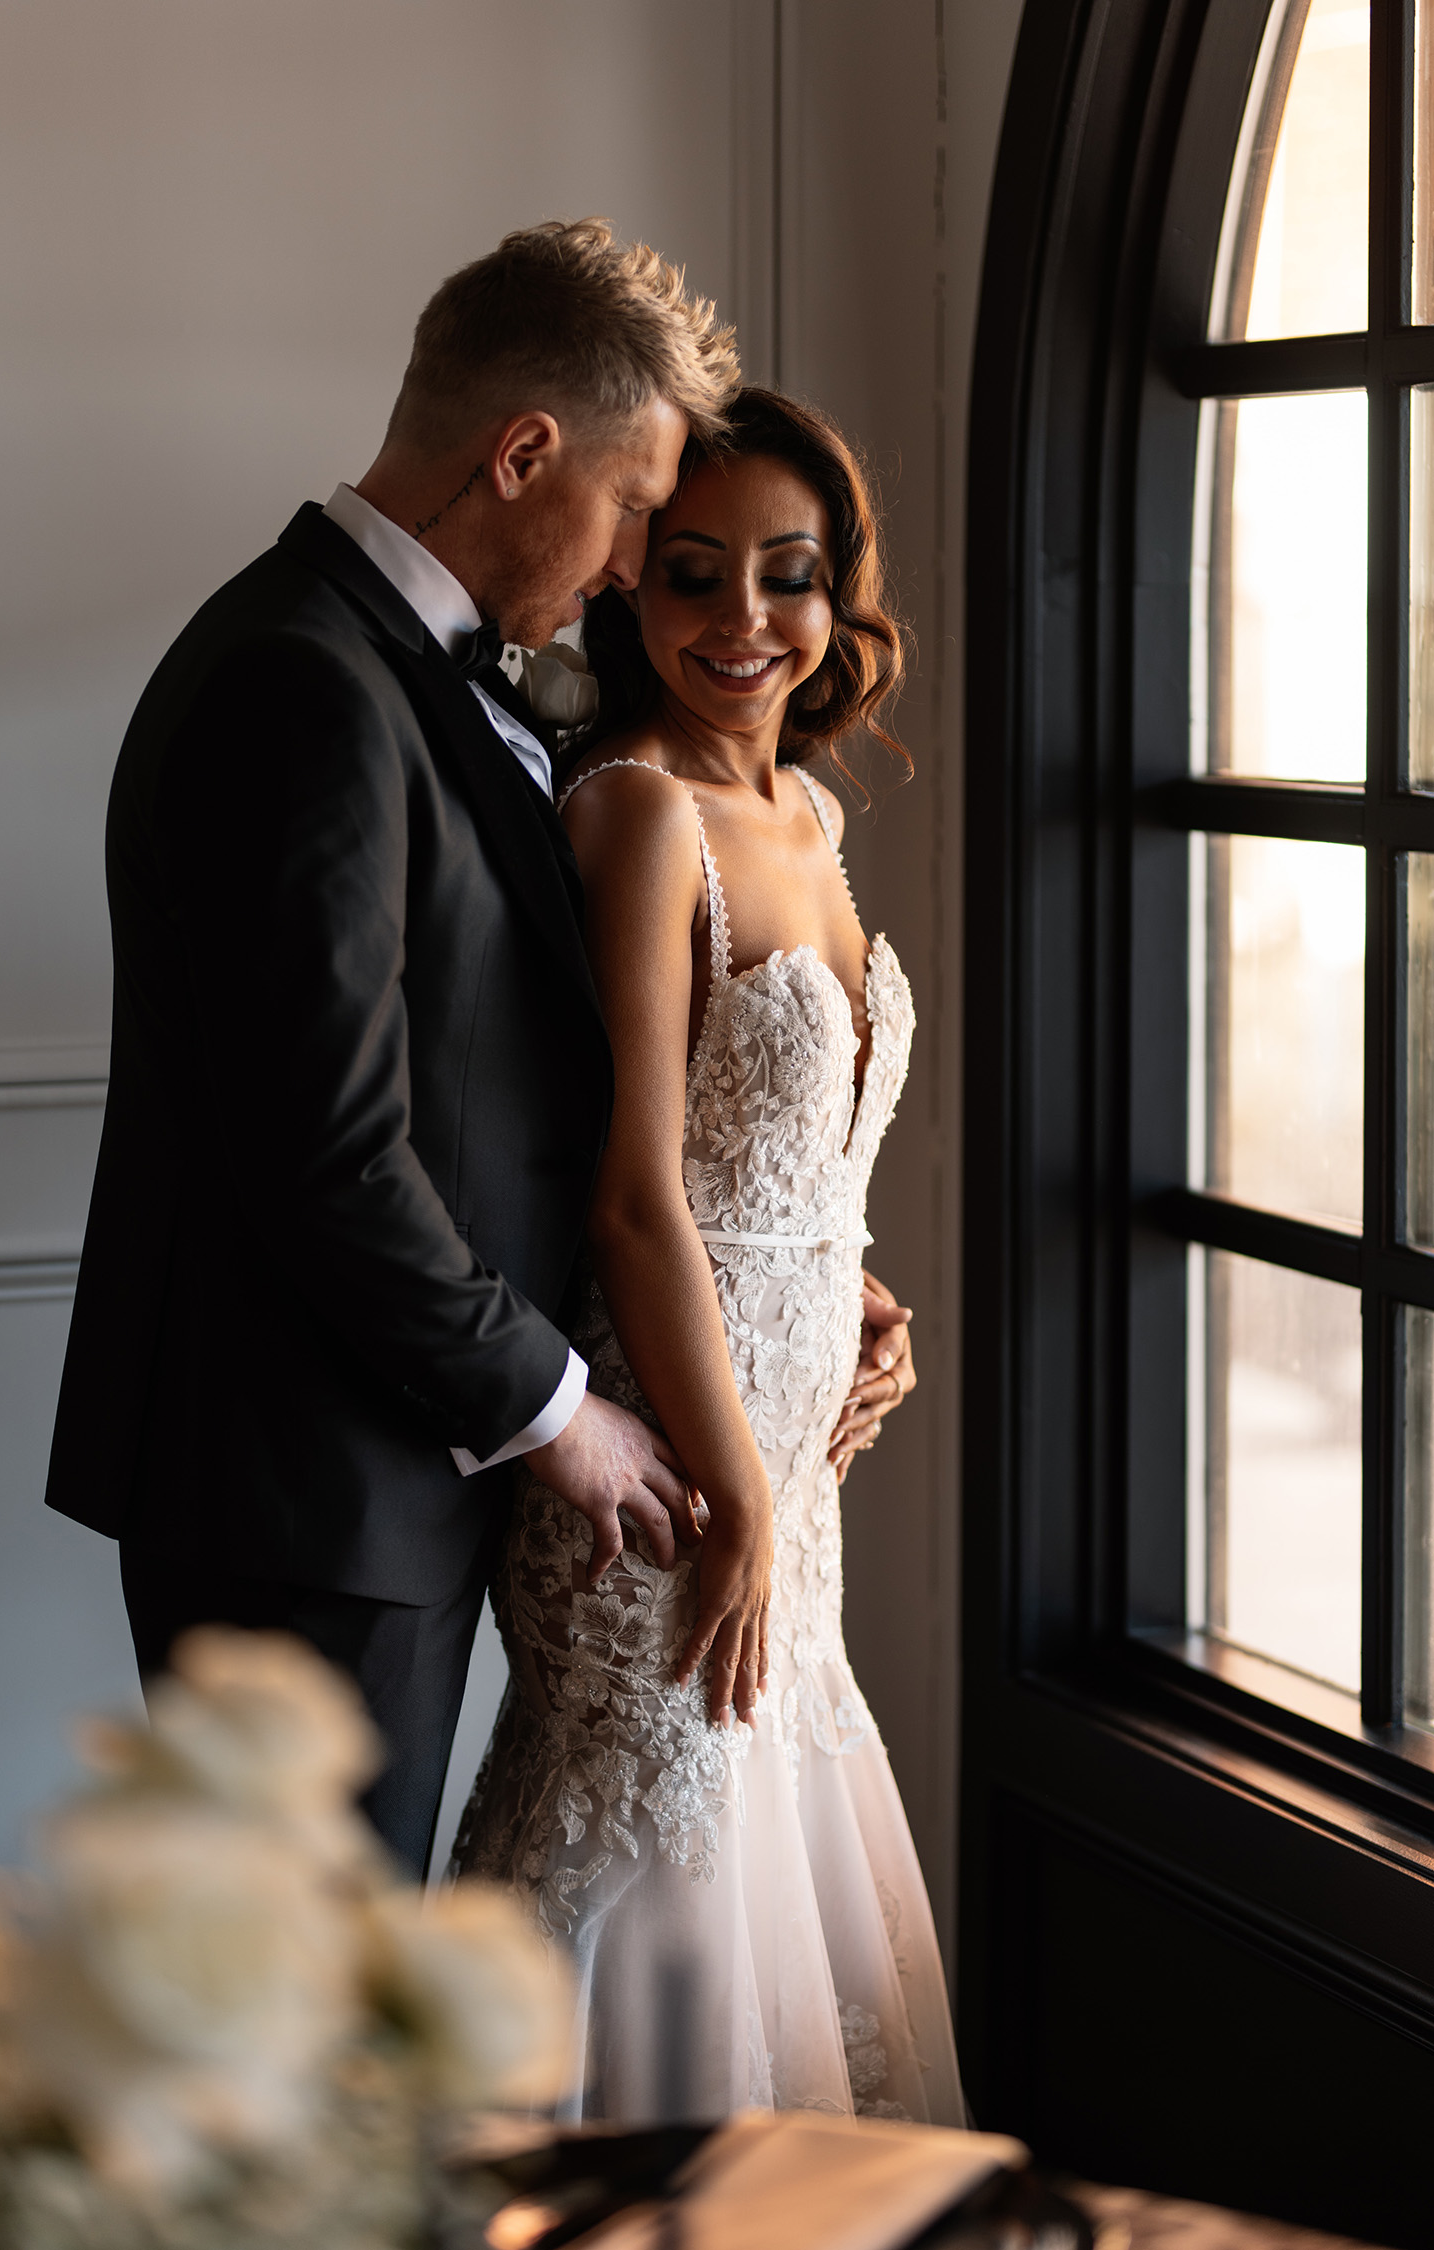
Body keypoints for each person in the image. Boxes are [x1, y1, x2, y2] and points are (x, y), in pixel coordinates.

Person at [42, 219, 738, 1878]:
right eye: (635, 509)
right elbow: (331, 1152)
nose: (637, 564)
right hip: (304, 1498)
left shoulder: (385, 667)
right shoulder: (302, 684)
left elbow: (499, 1069)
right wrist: (559, 1411)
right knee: (312, 2024)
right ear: (521, 455)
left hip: (367, 1477)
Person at [453, 388, 964, 2125]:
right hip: (677, 1468)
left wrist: (868, 1307)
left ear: (838, 598)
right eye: (692, 574)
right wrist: (739, 1491)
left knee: (773, 1870)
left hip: (791, 1476)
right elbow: (637, 1198)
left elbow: (799, 1166)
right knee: (662, 1852)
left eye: (789, 575)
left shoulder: (811, 818)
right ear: (632, 594)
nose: (743, 621)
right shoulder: (636, 810)